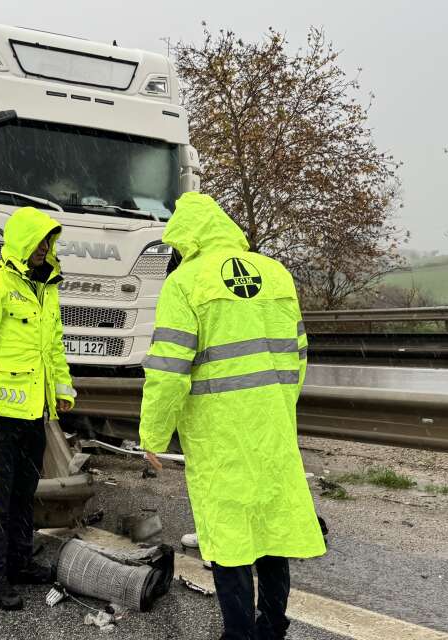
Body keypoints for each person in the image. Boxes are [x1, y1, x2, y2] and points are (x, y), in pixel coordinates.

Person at [139, 192, 325, 640]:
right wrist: (277, 405)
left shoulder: (186, 283)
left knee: (230, 540)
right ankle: (273, 626)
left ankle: (238, 634)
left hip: (218, 433)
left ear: (186, 238)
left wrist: (153, 433)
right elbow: (299, 352)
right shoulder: (276, 274)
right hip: (272, 428)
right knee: (272, 531)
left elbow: (168, 369)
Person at [0, 206, 77, 610]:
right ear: (22, 241)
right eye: (39, 240)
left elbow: (53, 346)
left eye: (49, 241)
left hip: (33, 415)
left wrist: (62, 390)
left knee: (25, 495)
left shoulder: (47, 287)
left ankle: (20, 562)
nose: (45, 248)